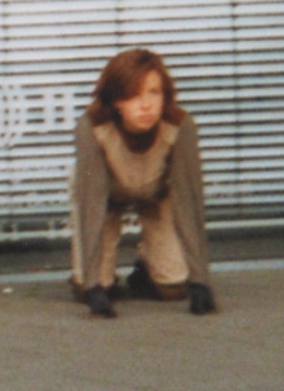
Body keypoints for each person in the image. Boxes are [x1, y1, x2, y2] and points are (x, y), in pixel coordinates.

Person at [70, 47, 217, 318]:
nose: (146, 104)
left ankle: (146, 266)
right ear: (116, 100)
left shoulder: (179, 125)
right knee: (90, 286)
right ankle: (103, 276)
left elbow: (189, 200)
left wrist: (201, 280)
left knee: (173, 287)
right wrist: (93, 287)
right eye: (134, 95)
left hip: (157, 192)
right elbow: (92, 202)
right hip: (105, 198)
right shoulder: (93, 127)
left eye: (154, 92)